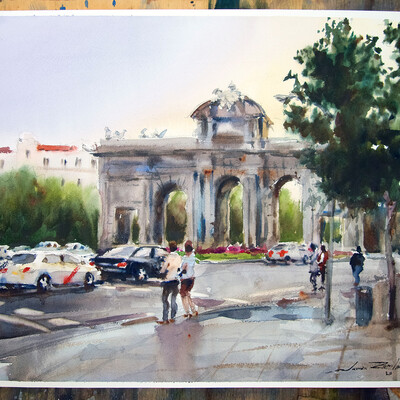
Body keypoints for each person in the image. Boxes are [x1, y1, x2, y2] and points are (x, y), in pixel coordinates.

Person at [157, 241, 182, 325]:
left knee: (165, 299)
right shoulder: (179, 257)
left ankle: (165, 319)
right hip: (175, 280)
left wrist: (161, 272)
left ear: (169, 248)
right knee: (173, 298)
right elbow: (179, 268)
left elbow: (163, 269)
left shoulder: (168, 257)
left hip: (168, 280)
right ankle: (173, 317)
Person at [179, 240, 198, 318]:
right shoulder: (193, 257)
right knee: (187, 293)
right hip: (191, 278)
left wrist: (183, 268)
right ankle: (193, 310)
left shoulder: (186, 258)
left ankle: (187, 312)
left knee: (183, 294)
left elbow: (183, 268)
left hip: (186, 279)